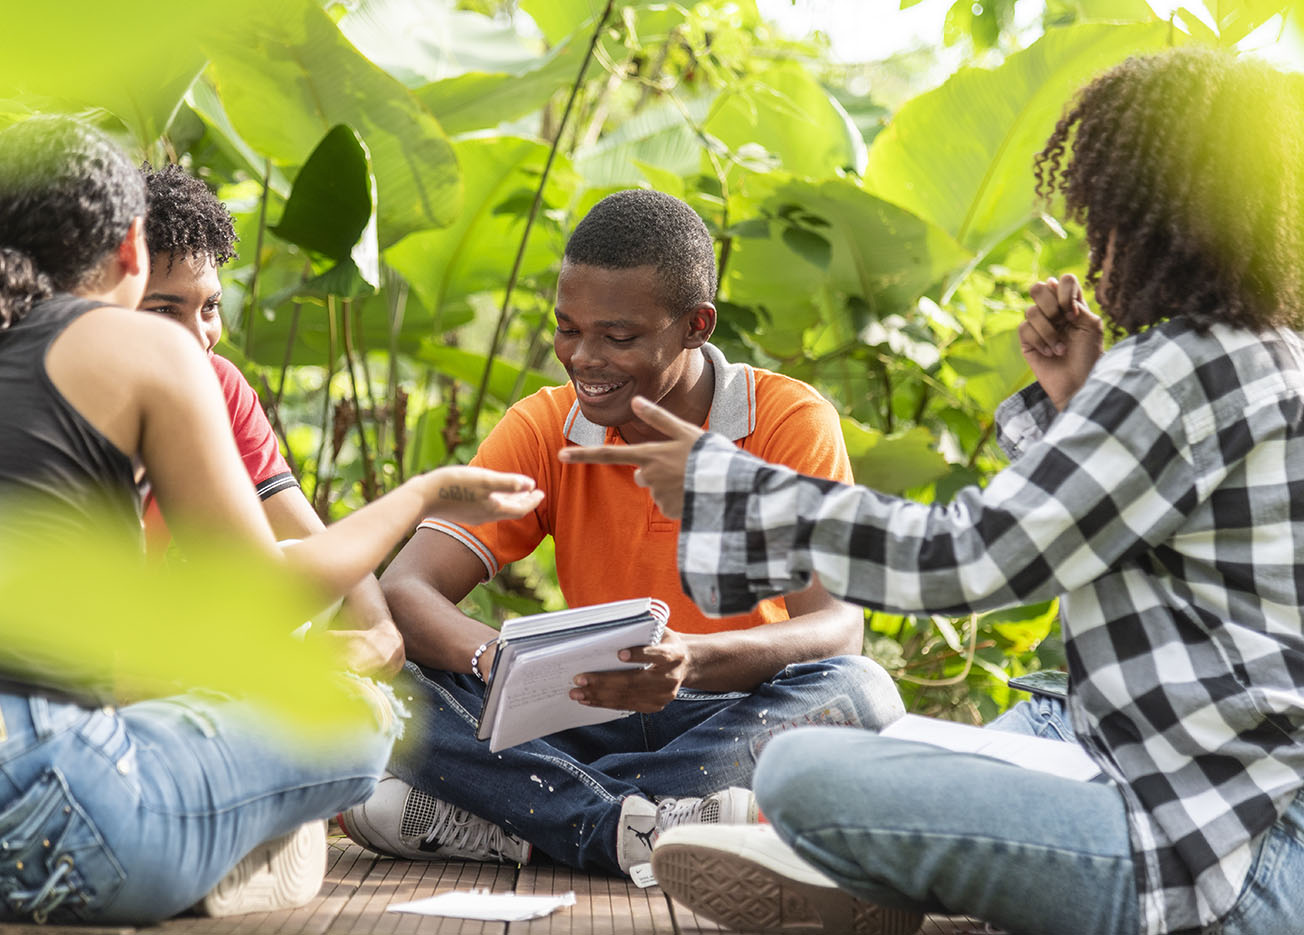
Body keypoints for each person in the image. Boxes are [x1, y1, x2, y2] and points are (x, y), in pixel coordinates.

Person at [565, 48, 1304, 934]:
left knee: (802, 769)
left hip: (1210, 855)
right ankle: (872, 876)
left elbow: (971, 557)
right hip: (1241, 790)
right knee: (1003, 729)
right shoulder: (1268, 360)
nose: (1094, 242)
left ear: (1151, 215)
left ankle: (867, 870)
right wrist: (1076, 399)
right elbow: (1116, 530)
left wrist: (730, 485)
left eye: (1102, 213)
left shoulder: (1176, 371)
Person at [0, 116, 541, 924]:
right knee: (358, 712)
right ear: (132, 250)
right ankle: (229, 853)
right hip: (61, 817)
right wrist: (422, 495)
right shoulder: (141, 348)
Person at [343, 189, 904, 879]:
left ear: (696, 325)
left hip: (725, 712)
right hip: (571, 711)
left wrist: (689, 660)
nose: (583, 357)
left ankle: (519, 811)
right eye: (568, 328)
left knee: (865, 690)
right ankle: (626, 822)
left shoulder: (788, 421)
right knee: (369, 675)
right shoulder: (544, 424)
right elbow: (406, 587)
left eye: (619, 336)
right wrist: (496, 658)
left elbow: (837, 629)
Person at [138, 163, 401, 674]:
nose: (199, 338)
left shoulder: (217, 385)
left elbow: (312, 542)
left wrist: (379, 632)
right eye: (165, 311)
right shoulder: (54, 405)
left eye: (209, 307)